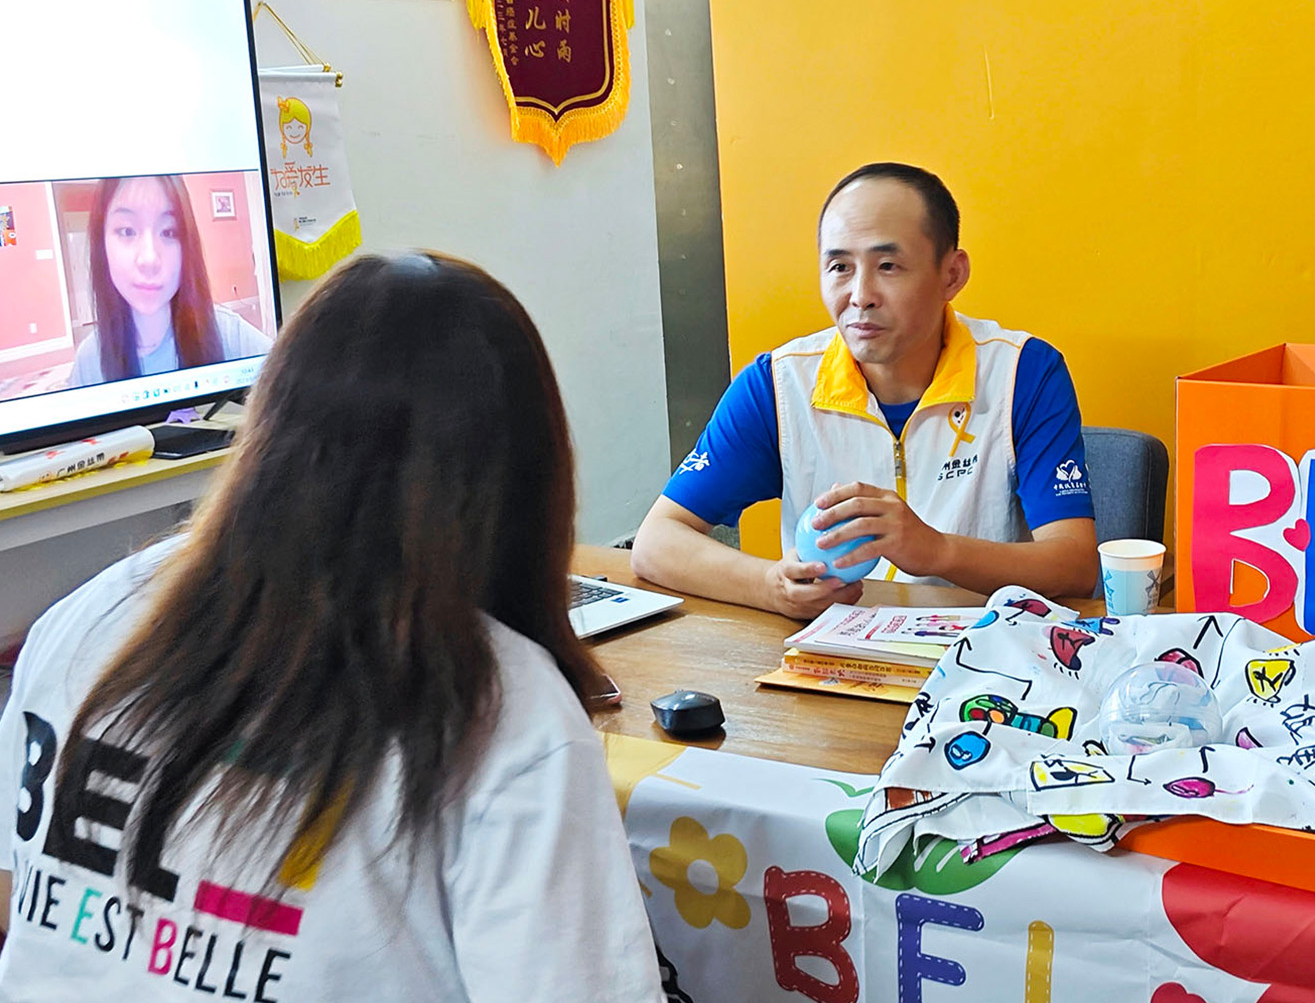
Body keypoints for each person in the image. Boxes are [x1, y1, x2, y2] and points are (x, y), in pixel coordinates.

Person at [0, 254, 664, 1002]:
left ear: (269, 422)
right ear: (525, 471)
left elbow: (19, 908)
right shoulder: (502, 711)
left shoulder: (83, 622)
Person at [632, 162, 1098, 619]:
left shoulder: (1022, 373)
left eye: (888, 266)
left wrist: (937, 550)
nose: (860, 295)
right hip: (828, 655)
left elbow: (1074, 565)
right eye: (839, 267)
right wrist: (771, 586)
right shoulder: (778, 385)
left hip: (979, 651)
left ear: (952, 275)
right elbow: (656, 542)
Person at [66, 175, 271, 387]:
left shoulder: (231, 336)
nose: (149, 259)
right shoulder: (89, 362)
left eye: (169, 232)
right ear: (101, 243)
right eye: (127, 231)